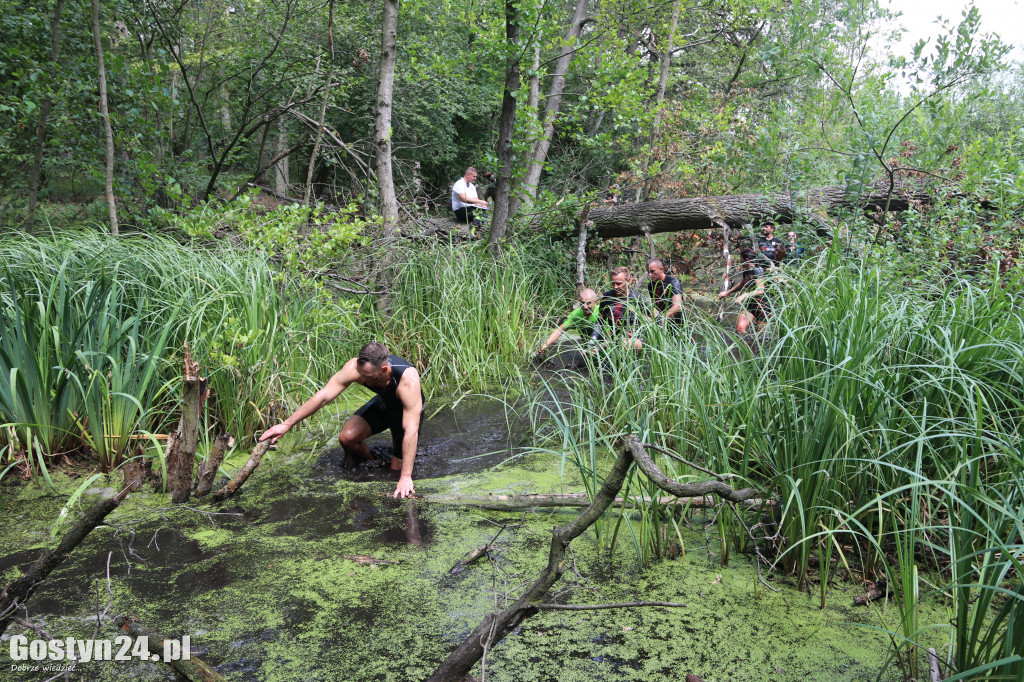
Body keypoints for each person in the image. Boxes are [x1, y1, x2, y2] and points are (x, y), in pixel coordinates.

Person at [259, 342, 424, 499]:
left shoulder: (407, 380)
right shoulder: (355, 368)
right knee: (347, 438)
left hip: (404, 413)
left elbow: (411, 428)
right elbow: (324, 396)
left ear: (384, 369)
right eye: (360, 374)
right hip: (384, 403)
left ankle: (396, 470)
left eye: (367, 377)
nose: (362, 381)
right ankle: (375, 463)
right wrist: (286, 424)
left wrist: (406, 477)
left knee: (396, 472)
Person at [718, 248, 771, 334]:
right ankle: (744, 344)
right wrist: (727, 293)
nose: (740, 261)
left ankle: (752, 345)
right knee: (740, 328)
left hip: (763, 307)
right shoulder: (746, 271)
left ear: (746, 260)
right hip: (751, 304)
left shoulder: (758, 271)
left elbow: (760, 290)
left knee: (760, 336)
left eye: (741, 259)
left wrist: (743, 295)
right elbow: (742, 284)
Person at [592, 266, 644, 350]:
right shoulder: (606, 298)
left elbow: (656, 317)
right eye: (613, 283)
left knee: (622, 343)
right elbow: (600, 322)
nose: (615, 287)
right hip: (615, 341)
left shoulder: (638, 298)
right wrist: (592, 343)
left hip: (637, 341)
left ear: (629, 281)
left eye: (619, 284)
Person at [537, 288, 600, 356]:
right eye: (582, 303)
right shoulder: (576, 314)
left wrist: (598, 348)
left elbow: (611, 337)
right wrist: (545, 345)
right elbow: (559, 330)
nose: (585, 307)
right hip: (588, 354)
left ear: (595, 302)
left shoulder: (602, 312)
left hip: (606, 355)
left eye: (588, 303)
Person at [646, 258, 683, 326]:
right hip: (661, 325)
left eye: (652, 271)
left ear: (661, 269)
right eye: (648, 272)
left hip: (677, 324)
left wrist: (661, 318)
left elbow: (678, 306)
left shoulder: (673, 282)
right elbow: (655, 305)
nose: (650, 275)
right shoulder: (651, 285)